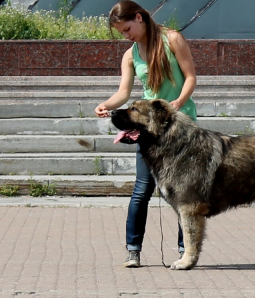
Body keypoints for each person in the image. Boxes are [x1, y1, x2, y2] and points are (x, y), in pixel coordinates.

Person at [94, 0, 197, 268]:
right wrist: (107, 104)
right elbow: (124, 93)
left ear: (139, 18)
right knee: (142, 189)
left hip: (179, 126)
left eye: (127, 29)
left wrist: (176, 103)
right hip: (149, 128)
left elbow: (190, 77)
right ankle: (133, 250)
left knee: (182, 191)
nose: (126, 36)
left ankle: (185, 250)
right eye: (121, 33)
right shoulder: (130, 55)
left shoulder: (172, 39)